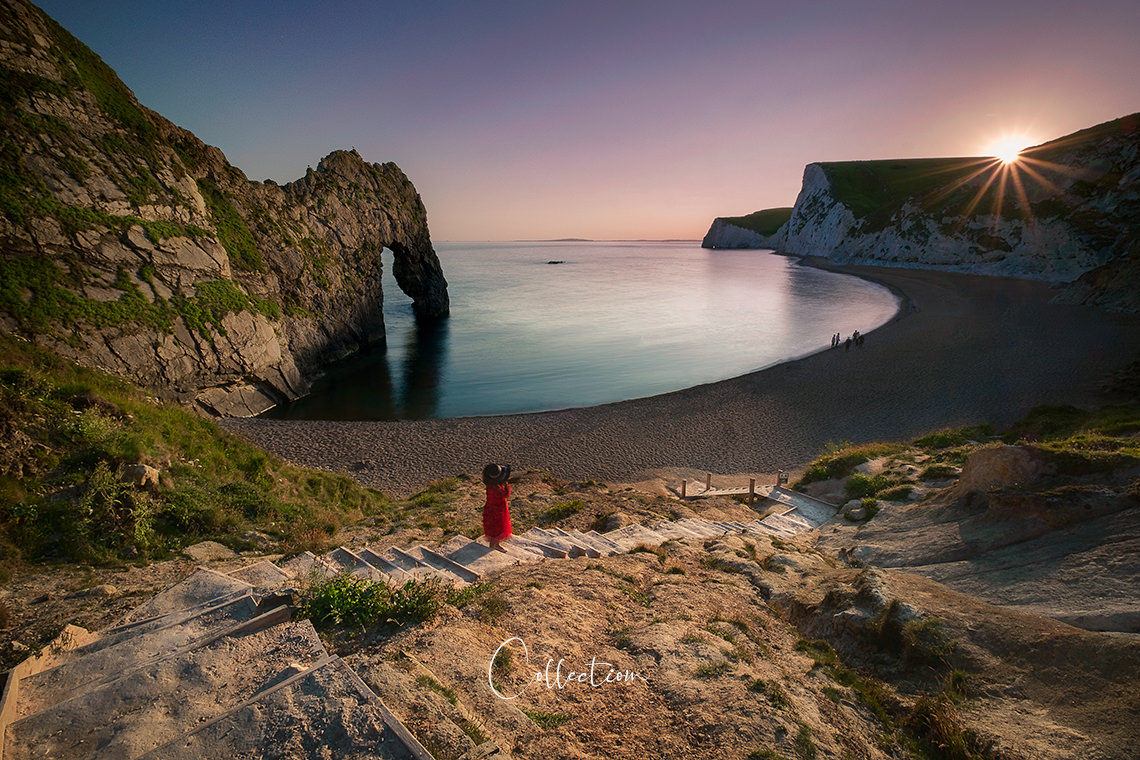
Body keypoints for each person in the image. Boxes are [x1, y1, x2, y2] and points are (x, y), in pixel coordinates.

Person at [482, 463, 512, 552]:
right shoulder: (497, 488)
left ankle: (493, 545)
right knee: (498, 528)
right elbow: (506, 494)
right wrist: (506, 485)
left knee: (492, 529)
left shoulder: (490, 485)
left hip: (490, 508)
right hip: (499, 510)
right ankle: (495, 546)